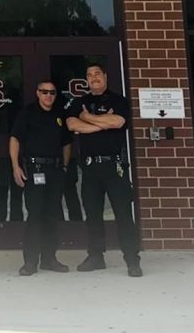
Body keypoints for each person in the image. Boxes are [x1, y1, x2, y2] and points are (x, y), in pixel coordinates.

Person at [65, 63, 142, 276]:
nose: (94, 77)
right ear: (86, 80)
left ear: (105, 77)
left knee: (124, 214)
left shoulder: (119, 101)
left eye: (97, 73)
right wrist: (101, 123)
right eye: (89, 75)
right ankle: (96, 257)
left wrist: (88, 118)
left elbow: (118, 122)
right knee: (93, 215)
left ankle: (132, 260)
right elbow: (72, 124)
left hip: (114, 166)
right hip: (90, 168)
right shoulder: (80, 102)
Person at [9, 80, 72, 276]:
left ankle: (49, 259)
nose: (48, 96)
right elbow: (15, 139)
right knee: (35, 215)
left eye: (52, 93)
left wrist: (64, 166)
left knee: (51, 216)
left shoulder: (60, 114)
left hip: (55, 170)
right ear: (37, 93)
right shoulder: (28, 113)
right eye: (44, 92)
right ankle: (30, 262)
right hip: (35, 169)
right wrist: (15, 166)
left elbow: (67, 143)